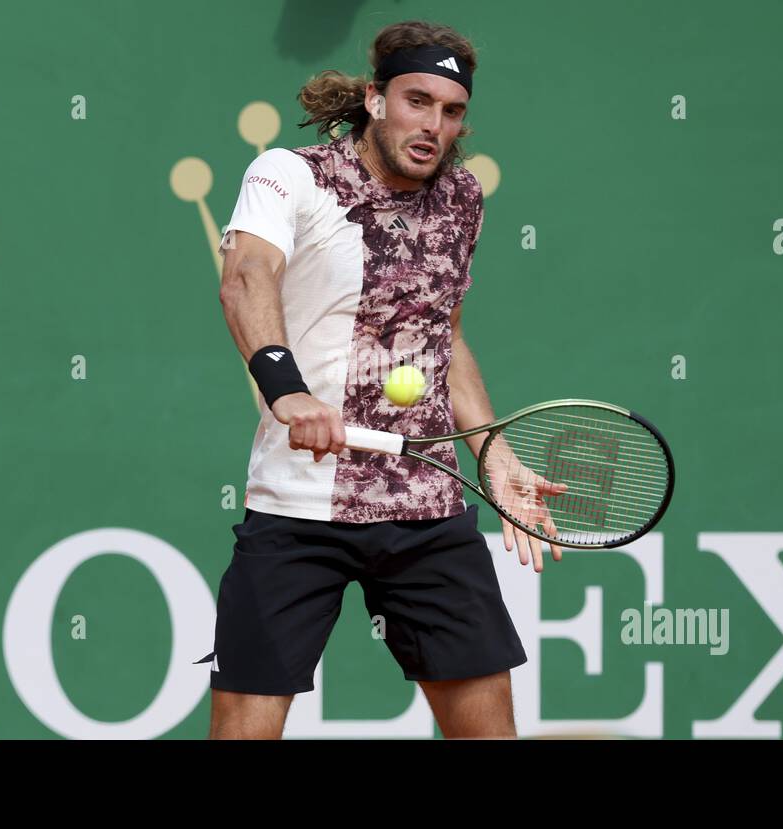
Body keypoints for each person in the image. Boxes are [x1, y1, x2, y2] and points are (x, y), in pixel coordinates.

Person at [203, 19, 564, 740]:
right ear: (374, 99)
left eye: (452, 110)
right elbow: (245, 277)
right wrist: (288, 390)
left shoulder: (462, 197)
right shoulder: (289, 175)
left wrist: (491, 448)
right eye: (417, 100)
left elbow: (445, 333)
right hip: (300, 503)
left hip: (427, 508)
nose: (434, 124)